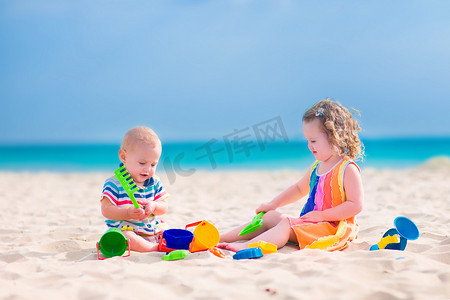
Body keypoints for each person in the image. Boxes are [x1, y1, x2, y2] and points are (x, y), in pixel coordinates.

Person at [218, 98, 364, 252]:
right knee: (269, 217)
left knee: (287, 224)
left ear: (335, 136)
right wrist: (273, 205)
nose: (309, 146)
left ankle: (247, 246)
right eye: (307, 140)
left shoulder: (347, 169)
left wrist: (322, 216)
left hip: (331, 229)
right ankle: (223, 237)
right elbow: (299, 189)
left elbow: (356, 205)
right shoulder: (317, 167)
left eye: (313, 140)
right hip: (311, 224)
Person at [100, 126, 169, 252]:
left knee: (168, 232)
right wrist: (127, 213)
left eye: (153, 164)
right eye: (142, 163)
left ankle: (164, 243)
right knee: (127, 237)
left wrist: (154, 206)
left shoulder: (155, 182)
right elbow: (106, 210)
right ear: (123, 157)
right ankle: (153, 249)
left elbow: (164, 206)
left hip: (151, 229)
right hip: (126, 230)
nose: (148, 169)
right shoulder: (114, 184)